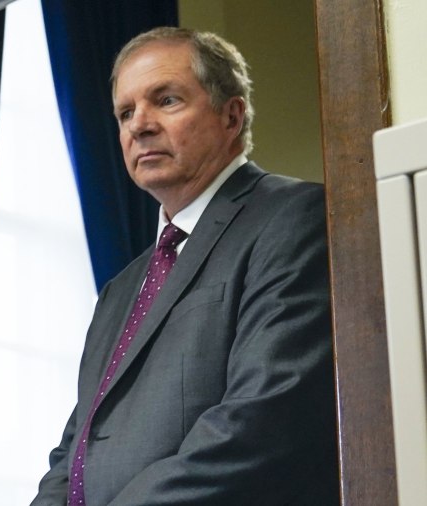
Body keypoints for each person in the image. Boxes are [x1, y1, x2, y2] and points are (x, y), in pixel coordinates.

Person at [31, 27, 339, 505]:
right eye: (125, 112)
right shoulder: (120, 287)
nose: (139, 125)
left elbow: (264, 418)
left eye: (167, 100)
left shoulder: (293, 218)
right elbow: (77, 446)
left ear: (231, 115)